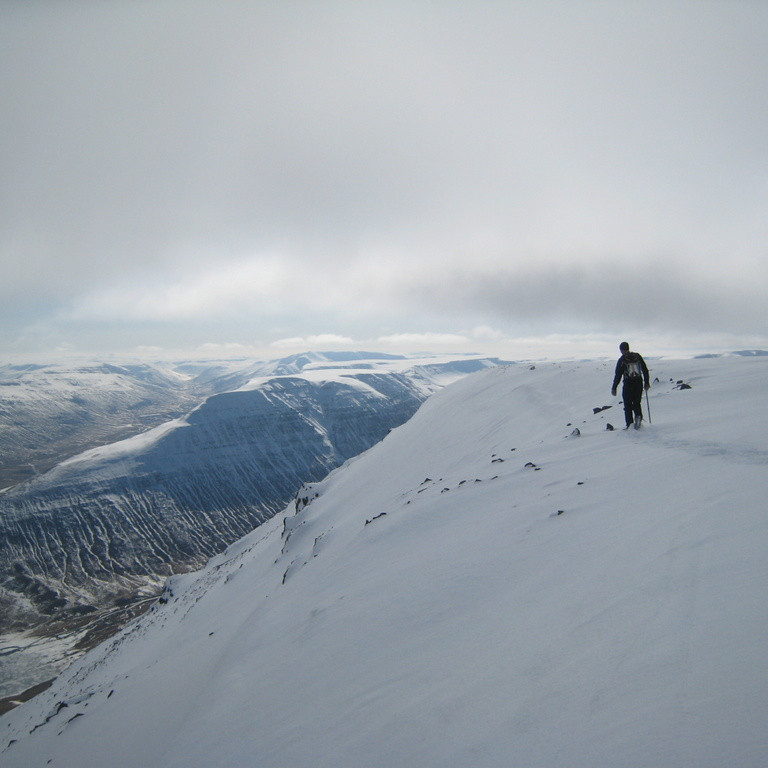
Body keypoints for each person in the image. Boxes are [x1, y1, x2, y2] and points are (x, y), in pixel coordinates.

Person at [611, 341, 650, 429]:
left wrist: (614, 387)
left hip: (628, 384)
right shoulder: (637, 356)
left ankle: (629, 425)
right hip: (638, 382)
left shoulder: (622, 359)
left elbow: (618, 375)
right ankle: (638, 417)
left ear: (621, 350)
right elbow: (645, 369)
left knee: (627, 405)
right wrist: (646, 382)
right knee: (637, 403)